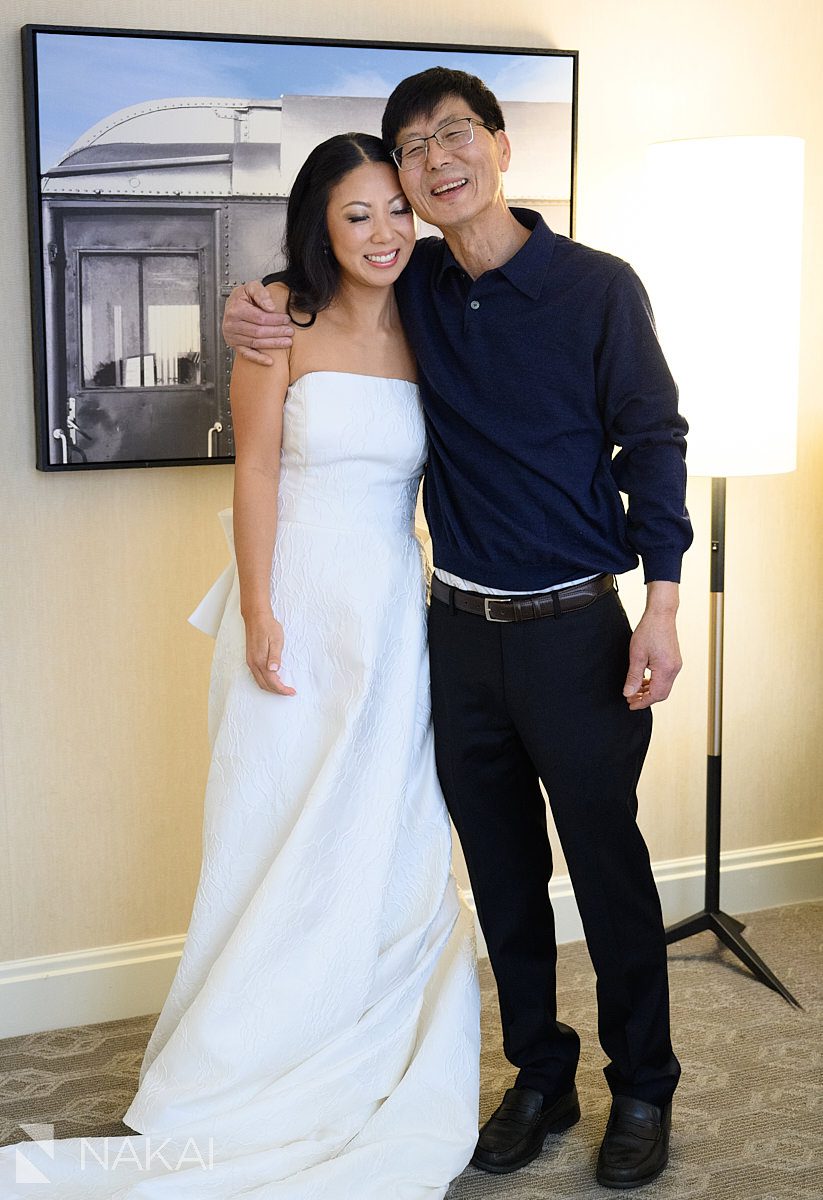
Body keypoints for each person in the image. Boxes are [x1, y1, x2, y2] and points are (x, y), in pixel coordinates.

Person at [223, 67, 694, 1191]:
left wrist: (664, 606)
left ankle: (643, 1084)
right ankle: (540, 1074)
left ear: (497, 147)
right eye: (412, 148)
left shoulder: (596, 287)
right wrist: (253, 300)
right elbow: (321, 285)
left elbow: (656, 441)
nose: (435, 162)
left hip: (577, 632)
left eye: (453, 136)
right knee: (500, 874)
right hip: (455, 636)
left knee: (607, 865)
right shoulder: (416, 283)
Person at [0, 133, 480, 1199]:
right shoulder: (278, 324)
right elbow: (255, 466)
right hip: (296, 600)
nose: (384, 232)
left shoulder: (437, 319)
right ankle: (246, 1058)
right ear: (318, 227)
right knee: (271, 832)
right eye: (355, 215)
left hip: (393, 612)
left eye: (395, 210)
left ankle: (366, 1043)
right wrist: (259, 608)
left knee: (388, 835)